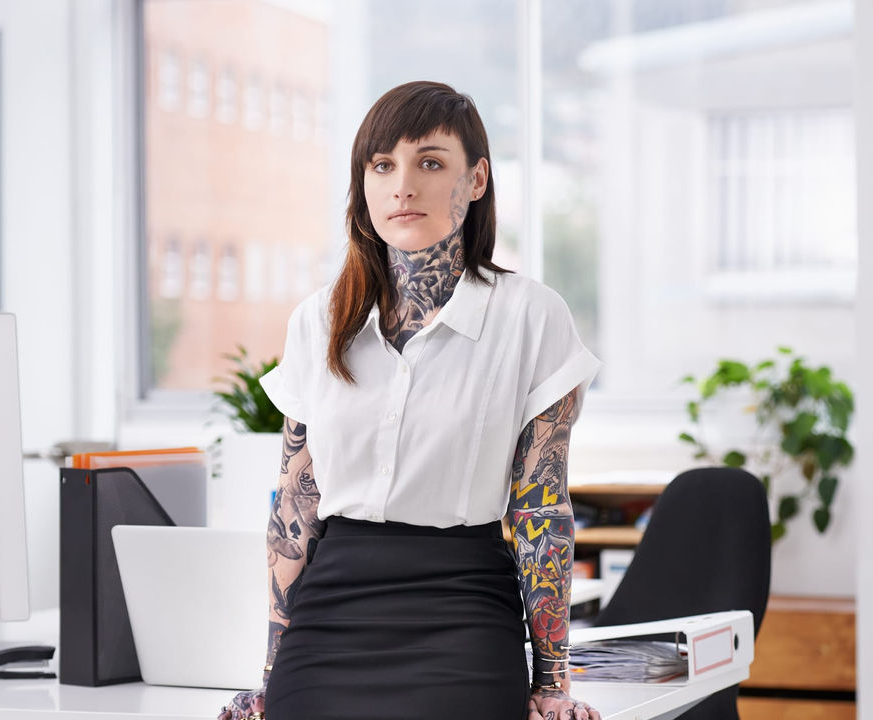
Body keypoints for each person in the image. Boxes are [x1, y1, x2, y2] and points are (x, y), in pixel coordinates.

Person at [217, 80, 602, 720]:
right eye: (382, 165)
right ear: (362, 185)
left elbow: (541, 512)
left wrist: (551, 683)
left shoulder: (533, 317)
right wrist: (271, 674)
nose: (403, 186)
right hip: (332, 610)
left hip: (462, 607)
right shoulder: (318, 321)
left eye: (430, 162)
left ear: (476, 180)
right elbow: (294, 507)